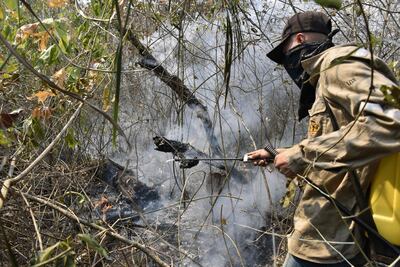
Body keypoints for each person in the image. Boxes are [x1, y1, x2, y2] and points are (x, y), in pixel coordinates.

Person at [247, 11, 400, 266]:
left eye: (284, 53)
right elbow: (343, 138)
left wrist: (300, 155)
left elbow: (390, 122)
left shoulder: (340, 66)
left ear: (297, 40)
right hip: (336, 232)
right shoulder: (328, 73)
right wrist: (283, 153)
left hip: (329, 239)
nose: (287, 62)